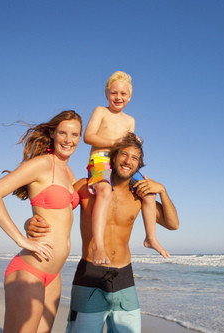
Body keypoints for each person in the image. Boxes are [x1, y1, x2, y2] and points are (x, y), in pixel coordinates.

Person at [27, 133, 179, 333]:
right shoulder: (86, 188)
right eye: (124, 155)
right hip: (90, 275)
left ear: (139, 166)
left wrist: (163, 192)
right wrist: (30, 221)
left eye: (134, 158)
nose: (128, 161)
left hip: (125, 278)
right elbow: (53, 209)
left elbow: (172, 224)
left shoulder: (139, 195)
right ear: (113, 158)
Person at [0, 110, 82, 333]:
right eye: (63, 133)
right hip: (29, 270)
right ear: (53, 134)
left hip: (54, 275)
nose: (68, 139)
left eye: (74, 135)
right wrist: (21, 239)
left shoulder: (69, 172)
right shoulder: (43, 164)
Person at [84, 70, 169, 265]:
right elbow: (88, 137)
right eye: (114, 93)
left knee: (147, 191)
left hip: (120, 162)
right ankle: (98, 244)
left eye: (123, 94)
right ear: (107, 94)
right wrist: (115, 141)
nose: (118, 97)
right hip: (101, 159)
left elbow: (129, 146)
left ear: (129, 97)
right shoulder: (101, 111)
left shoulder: (130, 120)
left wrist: (135, 142)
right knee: (104, 191)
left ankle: (151, 238)